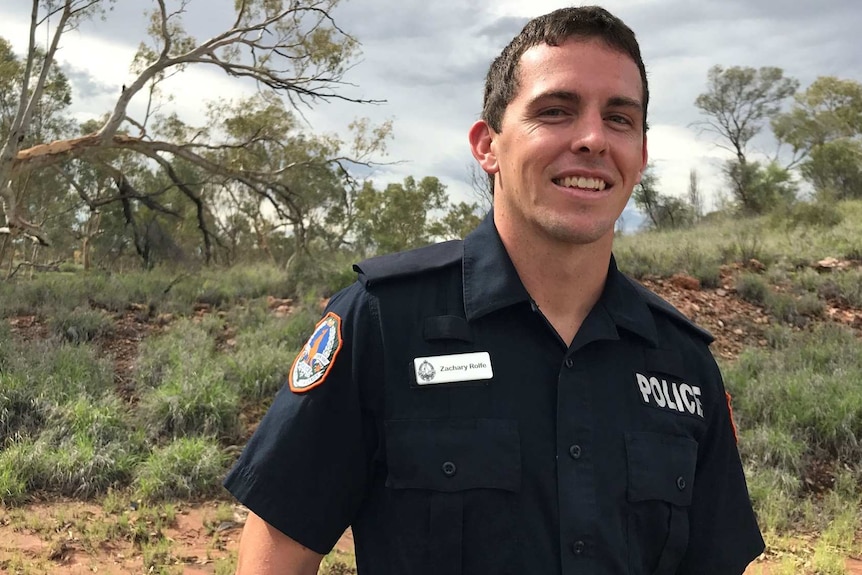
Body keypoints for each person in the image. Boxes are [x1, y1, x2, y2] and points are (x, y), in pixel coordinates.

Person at [224, 5, 765, 574]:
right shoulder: (383, 321)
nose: (592, 139)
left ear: (641, 156)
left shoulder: (684, 361)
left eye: (620, 119)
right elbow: (279, 551)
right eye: (555, 111)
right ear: (487, 147)